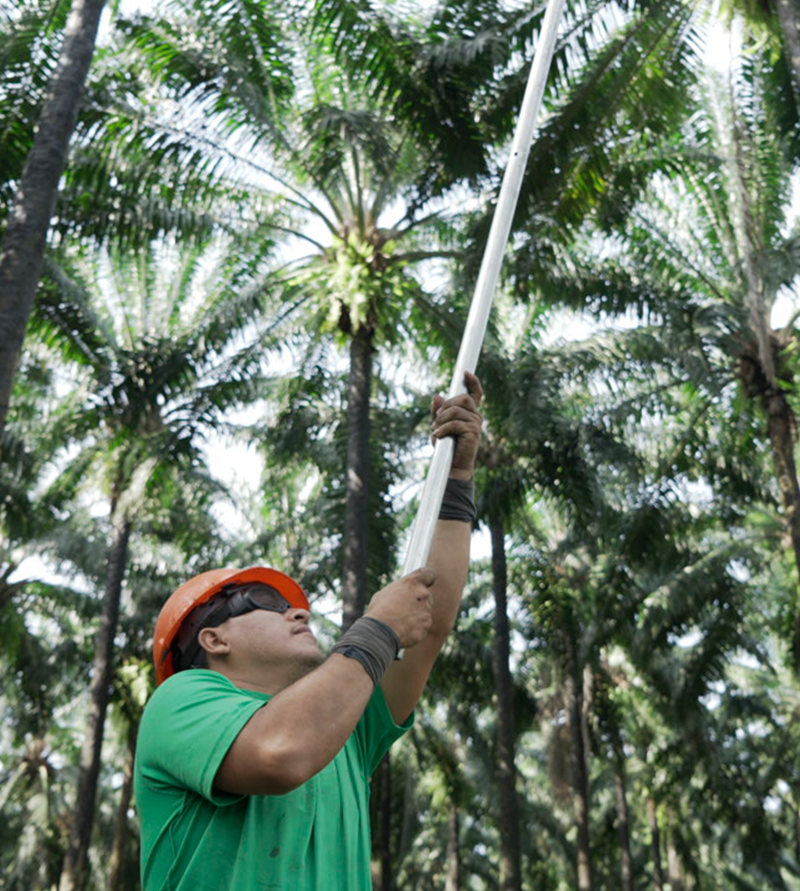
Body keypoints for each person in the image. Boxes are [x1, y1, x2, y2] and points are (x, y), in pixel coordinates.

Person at [134, 373, 484, 891]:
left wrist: (456, 479)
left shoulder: (344, 730)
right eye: (269, 602)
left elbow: (428, 627)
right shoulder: (180, 701)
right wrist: (377, 628)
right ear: (213, 639)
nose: (299, 613)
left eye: (297, 605)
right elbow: (280, 751)